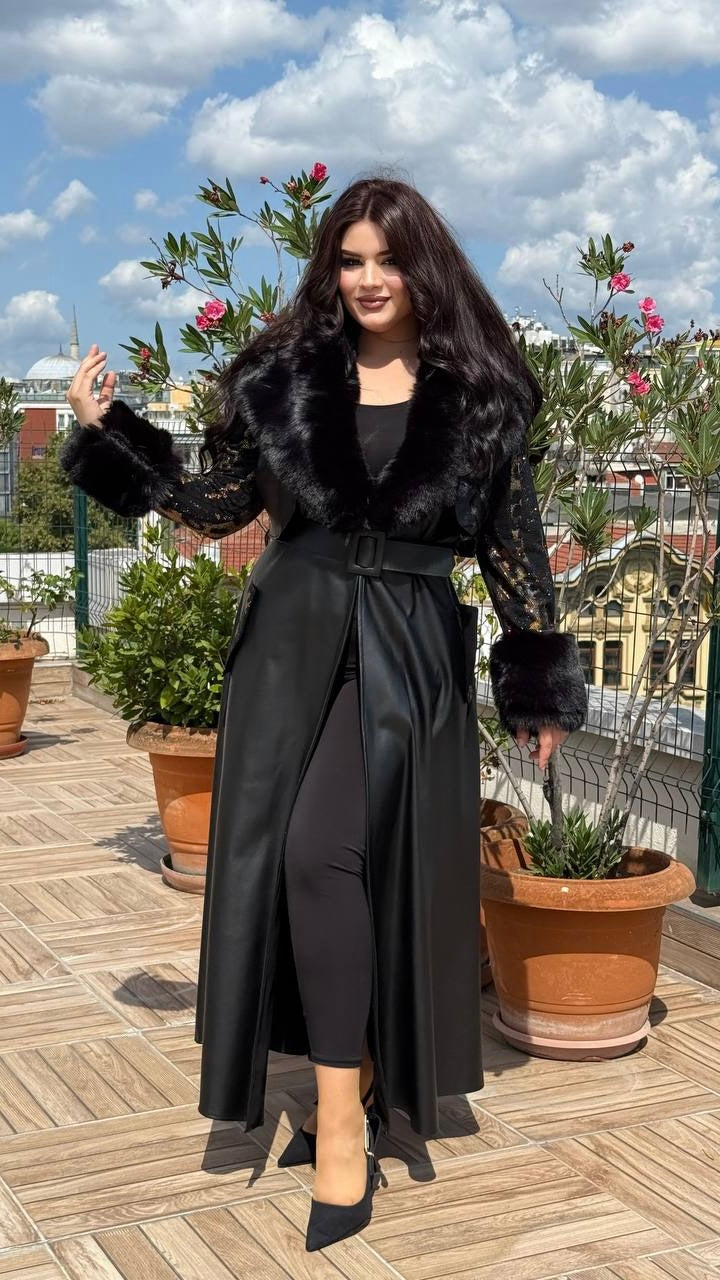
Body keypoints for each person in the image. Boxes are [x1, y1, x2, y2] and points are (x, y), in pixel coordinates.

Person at [60, 174, 587, 1251]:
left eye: (387, 259)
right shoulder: (285, 379)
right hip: (291, 641)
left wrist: (535, 679)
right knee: (300, 858)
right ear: (330, 270)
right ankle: (346, 1107)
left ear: (424, 266)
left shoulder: (482, 395)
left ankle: (354, 1097)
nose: (368, 279)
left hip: (409, 646)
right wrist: (109, 430)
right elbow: (217, 506)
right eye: (349, 260)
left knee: (355, 859)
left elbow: (513, 544)